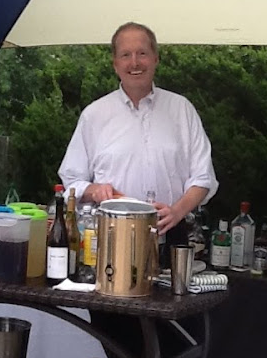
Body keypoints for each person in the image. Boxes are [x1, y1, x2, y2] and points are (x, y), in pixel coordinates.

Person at [59, 21, 218, 250]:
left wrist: (177, 211)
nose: (134, 63)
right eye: (126, 55)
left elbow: (203, 178)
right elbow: (71, 181)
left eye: (142, 53)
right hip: (110, 237)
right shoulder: (94, 115)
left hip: (170, 235)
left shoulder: (181, 109)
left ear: (155, 59)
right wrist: (94, 190)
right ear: (115, 64)